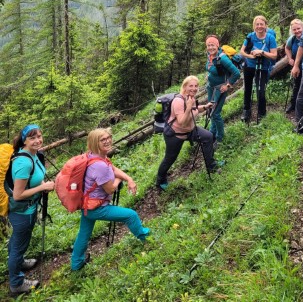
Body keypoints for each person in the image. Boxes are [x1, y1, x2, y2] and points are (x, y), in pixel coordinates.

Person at [71, 128, 150, 270]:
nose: (108, 141)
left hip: (87, 205)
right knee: (131, 215)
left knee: (84, 234)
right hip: (97, 208)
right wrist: (119, 180)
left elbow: (112, 168)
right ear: (95, 143)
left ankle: (76, 264)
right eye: (103, 139)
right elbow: (110, 189)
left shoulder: (95, 156)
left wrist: (128, 178)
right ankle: (146, 239)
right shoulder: (99, 166)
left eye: (109, 137)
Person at [7, 124, 55, 294]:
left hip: (28, 208)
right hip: (22, 211)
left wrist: (42, 184)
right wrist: (43, 188)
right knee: (20, 245)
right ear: (24, 140)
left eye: (39, 136)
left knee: (18, 242)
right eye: (32, 138)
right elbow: (18, 195)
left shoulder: (34, 155)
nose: (37, 140)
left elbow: (33, 179)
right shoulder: (24, 162)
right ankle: (16, 284)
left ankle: (18, 263)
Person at [156, 76, 222, 190]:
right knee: (170, 158)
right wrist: (189, 107)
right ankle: (160, 180)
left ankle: (211, 166)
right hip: (175, 135)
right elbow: (181, 122)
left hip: (190, 130)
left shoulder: (190, 98)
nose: (194, 88)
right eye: (191, 86)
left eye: (196, 86)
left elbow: (194, 109)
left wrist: (205, 107)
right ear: (184, 86)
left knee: (208, 137)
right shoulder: (178, 101)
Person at [240, 15, 277, 122]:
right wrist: (250, 56)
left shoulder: (270, 38)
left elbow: (274, 55)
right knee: (247, 89)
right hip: (249, 66)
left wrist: (262, 52)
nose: (259, 26)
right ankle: (246, 110)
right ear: (254, 26)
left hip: (263, 67)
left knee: (260, 90)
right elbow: (242, 52)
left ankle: (262, 113)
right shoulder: (250, 36)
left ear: (266, 25)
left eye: (261, 24)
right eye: (257, 24)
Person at [205, 35, 241, 146]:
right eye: (208, 45)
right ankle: (212, 133)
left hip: (219, 89)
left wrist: (228, 85)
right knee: (212, 111)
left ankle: (219, 138)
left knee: (215, 113)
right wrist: (209, 75)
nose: (211, 47)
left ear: (217, 45)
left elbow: (236, 73)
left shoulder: (223, 58)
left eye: (213, 45)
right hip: (211, 87)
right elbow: (214, 69)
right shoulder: (210, 56)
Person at [285, 19, 303, 113]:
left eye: (298, 28)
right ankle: (293, 104)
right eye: (294, 29)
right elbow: (287, 48)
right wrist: (289, 59)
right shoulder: (292, 39)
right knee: (296, 84)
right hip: (296, 65)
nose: (297, 31)